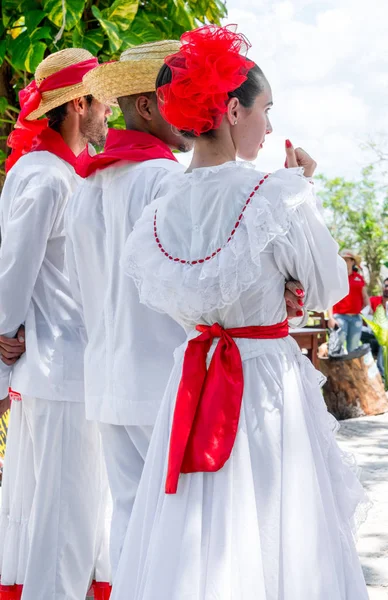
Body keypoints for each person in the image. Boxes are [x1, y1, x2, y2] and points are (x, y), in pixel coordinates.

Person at [111, 25, 369, 600]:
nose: (270, 126)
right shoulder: (275, 193)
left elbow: (172, 295)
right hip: (264, 377)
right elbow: (330, 286)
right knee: (280, 521)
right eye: (265, 110)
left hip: (196, 374)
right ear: (232, 110)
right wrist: (304, 190)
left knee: (198, 524)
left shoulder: (159, 205)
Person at [65, 40, 306, 580]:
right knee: (184, 534)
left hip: (105, 378)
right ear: (148, 107)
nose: (190, 113)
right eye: (177, 98)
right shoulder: (166, 181)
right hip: (170, 377)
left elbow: (81, 291)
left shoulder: (86, 185)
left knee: (130, 519)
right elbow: (215, 283)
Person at [0, 49, 112, 600]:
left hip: (64, 373)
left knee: (68, 518)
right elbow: (10, 280)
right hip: (59, 373)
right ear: (77, 105)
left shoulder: (53, 171)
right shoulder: (47, 178)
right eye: (102, 101)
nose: (109, 112)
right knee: (63, 526)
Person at [328, 249, 370, 352]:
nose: (344, 262)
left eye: (347, 260)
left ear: (352, 262)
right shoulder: (335, 277)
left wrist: (369, 308)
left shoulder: (359, 278)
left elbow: (364, 296)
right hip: (339, 317)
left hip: (356, 318)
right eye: (342, 259)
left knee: (354, 348)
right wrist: (330, 318)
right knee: (337, 347)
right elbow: (330, 298)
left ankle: (351, 367)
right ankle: (336, 367)